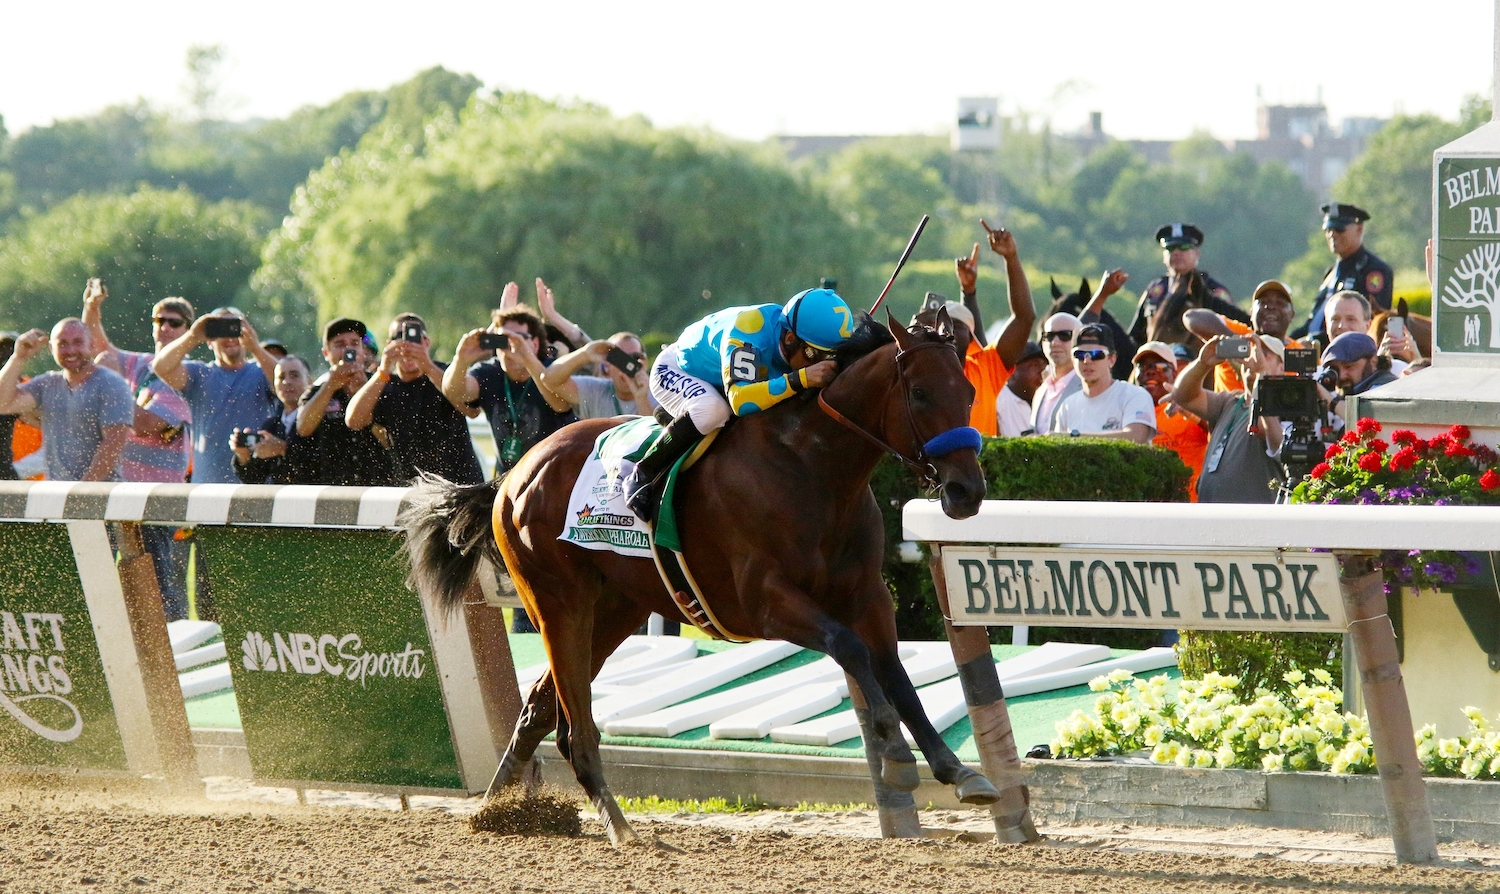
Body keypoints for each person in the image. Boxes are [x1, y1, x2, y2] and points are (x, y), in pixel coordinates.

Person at [625, 287, 858, 521]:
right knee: (714, 411)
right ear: (790, 339)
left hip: (725, 382)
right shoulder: (749, 330)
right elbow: (741, 401)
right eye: (814, 355)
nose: (820, 364)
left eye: (829, 357)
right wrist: (802, 378)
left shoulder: (795, 340)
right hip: (677, 371)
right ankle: (642, 471)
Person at [81, 279, 196, 618]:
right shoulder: (138, 363)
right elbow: (98, 346)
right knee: (104, 585)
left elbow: (146, 424)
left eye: (174, 322)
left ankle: (171, 661)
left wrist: (114, 388)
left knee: (160, 590)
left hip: (155, 500)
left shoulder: (189, 376)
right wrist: (92, 307)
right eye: (158, 320)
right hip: (116, 492)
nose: (164, 327)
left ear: (188, 331)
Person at [346, 313, 484, 485]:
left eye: (414, 337)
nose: (407, 344)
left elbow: (471, 410)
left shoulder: (448, 375)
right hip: (412, 490)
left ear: (427, 343)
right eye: (399, 338)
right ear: (389, 345)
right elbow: (354, 421)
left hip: (459, 485)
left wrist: (426, 365)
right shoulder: (384, 384)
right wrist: (384, 370)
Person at [444, 303, 578, 479]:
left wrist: (527, 358)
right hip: (507, 483)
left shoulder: (552, 371)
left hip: (555, 481)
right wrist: (460, 360)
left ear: (535, 344)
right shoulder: (490, 373)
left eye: (519, 338)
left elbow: (562, 403)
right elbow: (455, 392)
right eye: (503, 340)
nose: (510, 347)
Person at [152, 307, 279, 484]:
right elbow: (161, 367)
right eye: (220, 330)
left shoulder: (260, 372)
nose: (229, 338)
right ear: (209, 340)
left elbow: (287, 381)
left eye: (235, 328)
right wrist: (193, 336)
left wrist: (256, 348)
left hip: (255, 486)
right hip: (207, 488)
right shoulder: (199, 374)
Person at [0, 321, 133, 482]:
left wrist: (81, 491)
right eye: (62, 344)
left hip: (101, 493)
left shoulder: (111, 384)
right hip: (58, 493)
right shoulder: (47, 384)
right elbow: (3, 404)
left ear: (91, 345)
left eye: (77, 342)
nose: (70, 350)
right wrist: (18, 357)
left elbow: (114, 444)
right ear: (51, 348)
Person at [1169, 334, 1287, 504]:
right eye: (1250, 351)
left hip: (1252, 520)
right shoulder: (1230, 402)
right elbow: (1183, 396)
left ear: (1281, 368)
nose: (1254, 358)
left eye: (1264, 353)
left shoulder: (1285, 406)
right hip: (1212, 514)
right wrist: (1202, 364)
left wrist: (1262, 377)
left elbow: (1265, 429)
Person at [947, 222, 1037, 436]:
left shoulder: (986, 369)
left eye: (955, 325)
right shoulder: (916, 373)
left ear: (970, 337)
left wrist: (1011, 258)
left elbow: (1024, 318)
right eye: (938, 324)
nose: (946, 330)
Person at [291, 318, 400, 486]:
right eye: (340, 344)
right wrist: (331, 386)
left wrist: (364, 391)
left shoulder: (382, 385)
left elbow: (390, 438)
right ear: (326, 353)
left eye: (354, 343)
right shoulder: (317, 391)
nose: (349, 350)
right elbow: (303, 428)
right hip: (335, 490)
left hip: (379, 487)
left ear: (363, 350)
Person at [1128, 223, 1248, 349]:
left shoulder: (1213, 291)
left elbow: (1233, 332)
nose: (1176, 253)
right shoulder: (1154, 291)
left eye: (1184, 247)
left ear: (1197, 253)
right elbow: (1136, 337)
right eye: (1170, 248)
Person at [1292, 203, 1394, 347]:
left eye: (1339, 229)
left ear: (1359, 229)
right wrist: (1288, 341)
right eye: (1328, 229)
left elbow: (1369, 322)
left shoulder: (1373, 271)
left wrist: (1312, 341)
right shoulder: (1331, 273)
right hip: (1315, 350)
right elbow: (1314, 321)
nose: (1332, 235)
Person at [1183, 279, 1302, 392]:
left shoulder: (1300, 353)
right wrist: (1237, 345)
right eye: (1263, 302)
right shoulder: (1241, 334)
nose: (1270, 307)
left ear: (1292, 314)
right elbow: (1192, 317)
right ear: (1251, 313)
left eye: (1280, 303)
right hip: (1231, 411)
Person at [1049, 324, 1155, 444]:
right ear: (1073, 361)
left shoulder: (1134, 395)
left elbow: (1136, 437)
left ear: (1112, 359)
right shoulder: (1067, 406)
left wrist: (1073, 437)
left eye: (1096, 355)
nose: (1087, 361)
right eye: (1080, 354)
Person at [1132, 341, 1208, 501]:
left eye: (1159, 367)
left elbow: (1219, 431)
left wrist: (1189, 412)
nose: (1151, 372)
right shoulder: (1128, 413)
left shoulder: (1192, 405)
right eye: (1143, 367)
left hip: (1190, 507)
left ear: (1174, 373)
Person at [232, 355, 311, 485]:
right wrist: (243, 457)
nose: (287, 382)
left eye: (294, 375)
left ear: (309, 382)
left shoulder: (321, 418)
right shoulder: (272, 425)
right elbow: (255, 479)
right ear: (273, 386)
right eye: (281, 377)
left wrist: (284, 449)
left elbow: (325, 465)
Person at [538, 331, 654, 419]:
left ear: (645, 363)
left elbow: (655, 439)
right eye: (621, 358)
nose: (628, 365)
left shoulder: (659, 394)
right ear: (607, 366)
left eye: (635, 357)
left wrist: (641, 398)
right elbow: (548, 379)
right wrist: (584, 354)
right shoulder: (597, 391)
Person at [1030, 312, 1082, 435]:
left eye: (1065, 335)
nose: (1055, 342)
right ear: (1043, 342)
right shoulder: (1041, 391)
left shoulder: (1089, 386)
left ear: (1080, 342)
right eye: (1049, 336)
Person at [1321, 332, 1398, 400]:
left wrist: (1332, 403)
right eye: (1335, 369)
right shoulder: (1355, 391)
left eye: (1348, 367)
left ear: (1373, 362)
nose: (1342, 376)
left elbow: (1366, 413)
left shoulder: (1383, 387)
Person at [996, 341, 1047, 437]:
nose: (1042, 372)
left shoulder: (1047, 400)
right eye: (1035, 365)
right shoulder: (998, 401)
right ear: (1011, 371)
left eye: (1044, 366)